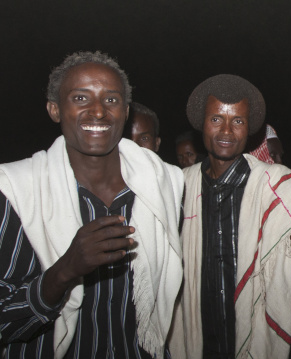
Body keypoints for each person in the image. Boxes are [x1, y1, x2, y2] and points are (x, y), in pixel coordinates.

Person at [0, 51, 184, 358]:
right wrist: (64, 271)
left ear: (126, 112)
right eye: (81, 98)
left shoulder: (163, 185)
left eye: (111, 100)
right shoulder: (15, 191)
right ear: (55, 109)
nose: (98, 112)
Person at [169, 74, 291, 359]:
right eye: (215, 119)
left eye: (237, 121)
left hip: (267, 346)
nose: (226, 131)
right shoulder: (178, 188)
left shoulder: (281, 188)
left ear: (249, 129)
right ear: (201, 124)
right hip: (200, 343)